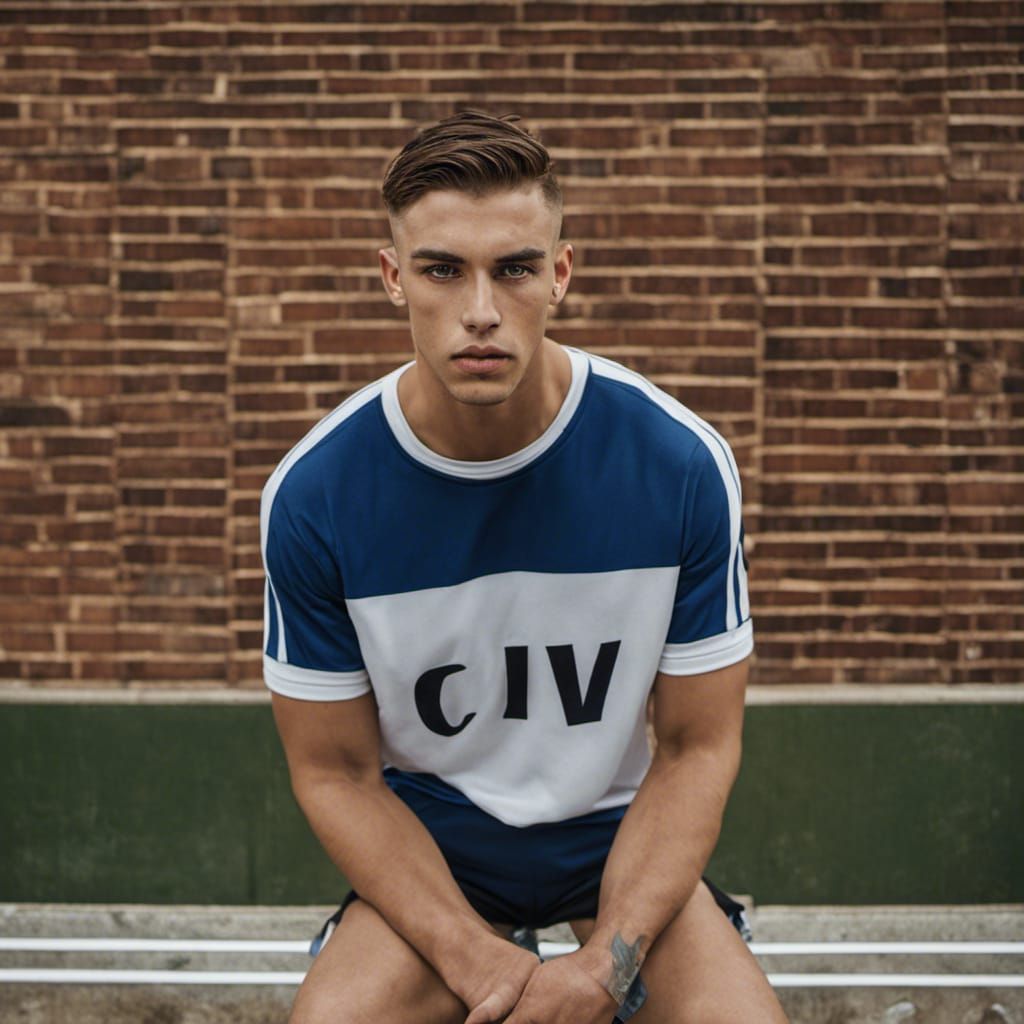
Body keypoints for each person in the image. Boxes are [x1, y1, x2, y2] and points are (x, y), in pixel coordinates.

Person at [261, 110, 788, 1023]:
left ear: (561, 275)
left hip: (617, 841)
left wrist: (603, 967)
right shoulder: (318, 493)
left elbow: (699, 746)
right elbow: (337, 775)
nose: (479, 311)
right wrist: (479, 963)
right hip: (439, 854)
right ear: (394, 278)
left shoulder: (676, 463)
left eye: (514, 268)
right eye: (441, 270)